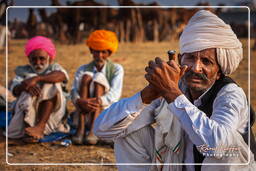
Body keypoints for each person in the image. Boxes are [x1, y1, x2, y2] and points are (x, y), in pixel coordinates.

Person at [94, 10, 256, 171]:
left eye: (206, 61)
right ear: (180, 60)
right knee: (125, 130)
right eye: (190, 58)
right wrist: (147, 95)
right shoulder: (174, 88)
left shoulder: (230, 95)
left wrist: (173, 94)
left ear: (220, 70)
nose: (196, 68)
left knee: (226, 150)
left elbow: (217, 147)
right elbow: (102, 130)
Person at [8, 36, 70, 141]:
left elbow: (62, 76)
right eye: (34, 59)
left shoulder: (55, 68)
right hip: (26, 117)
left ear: (49, 58)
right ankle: (29, 129)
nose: (38, 62)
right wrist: (25, 86)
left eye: (42, 58)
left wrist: (37, 79)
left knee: (52, 84)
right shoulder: (23, 71)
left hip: (51, 118)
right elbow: (15, 89)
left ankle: (40, 127)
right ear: (29, 59)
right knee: (27, 88)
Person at [71, 30, 124, 145]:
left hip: (104, 110)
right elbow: (74, 90)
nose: (99, 56)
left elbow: (115, 95)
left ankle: (93, 130)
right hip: (84, 108)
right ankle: (81, 128)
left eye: (103, 52)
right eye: (96, 52)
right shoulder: (82, 69)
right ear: (91, 51)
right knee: (86, 77)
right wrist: (80, 101)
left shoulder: (116, 69)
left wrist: (96, 101)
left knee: (99, 77)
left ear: (109, 53)